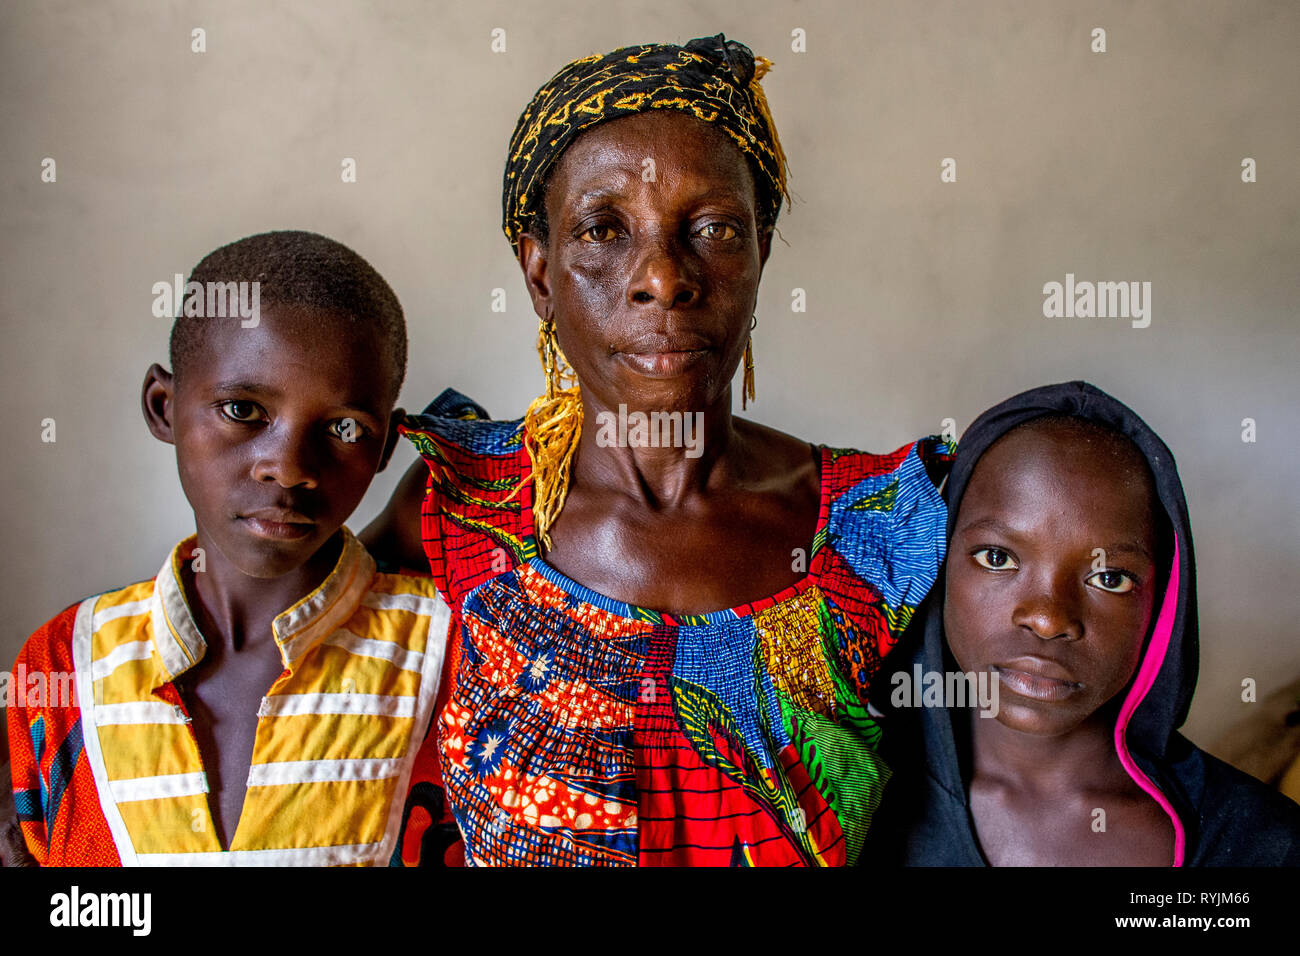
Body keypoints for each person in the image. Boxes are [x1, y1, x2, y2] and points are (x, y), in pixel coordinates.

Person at [362, 34, 953, 866]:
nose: (663, 278)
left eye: (713, 229)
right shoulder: (460, 503)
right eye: (604, 230)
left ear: (761, 253)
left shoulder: (881, 534)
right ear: (539, 274)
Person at [6, 230, 450, 865]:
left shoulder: (458, 653)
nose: (290, 467)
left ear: (383, 452)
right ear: (164, 408)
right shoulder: (60, 665)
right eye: (243, 409)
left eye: (344, 428)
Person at [866, 381, 1300, 865]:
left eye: (1109, 577)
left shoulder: (1266, 845)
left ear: (1163, 604)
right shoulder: (841, 806)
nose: (1049, 618)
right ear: (939, 564)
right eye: (997, 557)